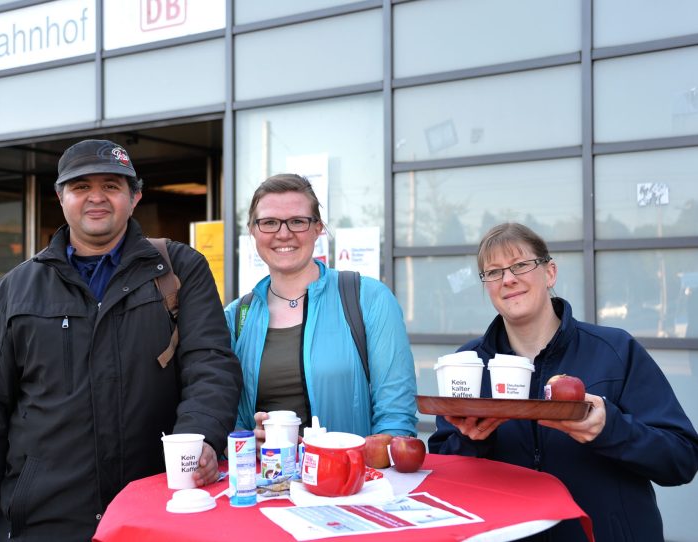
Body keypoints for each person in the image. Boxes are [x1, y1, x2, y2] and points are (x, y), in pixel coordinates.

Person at [0, 139, 242, 541]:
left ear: (134, 196)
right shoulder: (13, 291)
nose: (97, 198)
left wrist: (201, 437)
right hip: (46, 520)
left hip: (154, 511)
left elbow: (210, 363)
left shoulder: (180, 270)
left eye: (111, 185)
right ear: (61, 196)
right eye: (81, 186)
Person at [428, 222, 698, 542]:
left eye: (521, 265)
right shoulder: (468, 364)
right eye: (494, 272)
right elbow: (442, 474)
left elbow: (681, 460)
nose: (508, 279)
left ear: (550, 272)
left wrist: (608, 429)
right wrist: (471, 441)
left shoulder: (614, 351)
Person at [224, 173, 417, 449]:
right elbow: (225, 416)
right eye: (269, 222)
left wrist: (369, 473)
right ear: (253, 231)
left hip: (351, 484)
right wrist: (244, 440)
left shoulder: (368, 298)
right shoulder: (235, 318)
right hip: (267, 483)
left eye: (298, 221)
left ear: (318, 228)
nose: (283, 233)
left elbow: (396, 417)